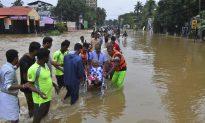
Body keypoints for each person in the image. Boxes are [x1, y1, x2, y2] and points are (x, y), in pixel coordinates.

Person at [0, 49, 44, 123]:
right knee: (15, 118)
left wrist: (22, 58)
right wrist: (23, 85)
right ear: (15, 58)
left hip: (4, 94)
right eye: (18, 57)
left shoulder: (5, 66)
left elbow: (14, 68)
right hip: (9, 96)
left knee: (13, 115)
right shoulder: (10, 71)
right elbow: (8, 86)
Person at [27, 48, 53, 123]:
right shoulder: (33, 69)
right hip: (40, 99)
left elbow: (47, 78)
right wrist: (40, 93)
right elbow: (30, 85)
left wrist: (54, 85)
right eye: (47, 56)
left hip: (48, 96)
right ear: (44, 57)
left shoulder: (45, 65)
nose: (48, 58)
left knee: (44, 115)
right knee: (36, 120)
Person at [19, 42, 41, 117]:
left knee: (35, 101)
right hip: (27, 85)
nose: (39, 51)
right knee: (30, 102)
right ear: (34, 50)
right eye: (38, 49)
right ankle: (31, 116)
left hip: (32, 83)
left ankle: (34, 115)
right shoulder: (25, 60)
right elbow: (25, 77)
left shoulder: (33, 57)